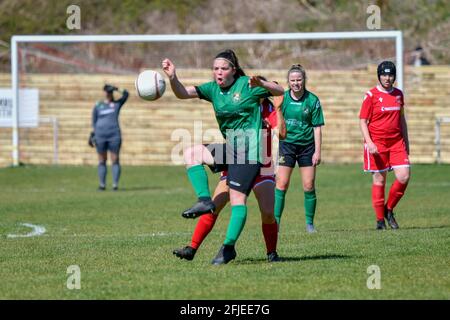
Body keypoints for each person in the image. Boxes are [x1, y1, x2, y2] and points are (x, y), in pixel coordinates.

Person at [162, 49, 284, 264]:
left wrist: (264, 85)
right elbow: (181, 93)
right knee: (192, 153)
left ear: (233, 70)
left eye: (223, 68)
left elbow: (279, 90)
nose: (218, 72)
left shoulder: (249, 87)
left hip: (253, 155)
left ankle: (233, 248)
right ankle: (202, 202)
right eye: (215, 68)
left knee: (255, 207)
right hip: (232, 150)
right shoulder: (212, 89)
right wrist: (173, 77)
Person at [172, 97, 286, 262]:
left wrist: (279, 110)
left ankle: (272, 254)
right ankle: (192, 248)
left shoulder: (269, 109)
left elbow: (281, 133)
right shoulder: (241, 104)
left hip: (263, 167)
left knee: (268, 213)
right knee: (214, 206)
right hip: (237, 162)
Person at [359, 61, 410, 230]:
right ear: (378, 76)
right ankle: (380, 221)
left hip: (396, 142)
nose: (387, 78)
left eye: (390, 75)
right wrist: (370, 143)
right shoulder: (371, 95)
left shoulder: (398, 95)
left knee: (403, 176)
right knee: (379, 179)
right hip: (378, 143)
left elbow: (401, 119)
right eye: (384, 75)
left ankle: (389, 209)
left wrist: (406, 142)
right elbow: (362, 121)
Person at [273, 64, 324, 233]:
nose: (296, 83)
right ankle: (276, 223)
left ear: (304, 80)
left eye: (299, 80)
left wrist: (318, 151)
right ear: (288, 82)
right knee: (281, 183)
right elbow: (276, 122)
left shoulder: (313, 100)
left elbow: (317, 127)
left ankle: (310, 224)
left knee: (309, 185)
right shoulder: (283, 98)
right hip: (286, 145)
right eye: (293, 80)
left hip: (307, 147)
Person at [91, 84, 129, 191]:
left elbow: (126, 94)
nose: (109, 94)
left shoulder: (116, 104)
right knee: (102, 160)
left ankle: (115, 185)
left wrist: (116, 88)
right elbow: (94, 121)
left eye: (110, 92)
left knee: (115, 159)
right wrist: (93, 134)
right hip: (100, 135)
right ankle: (102, 185)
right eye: (108, 92)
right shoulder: (98, 105)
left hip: (114, 135)